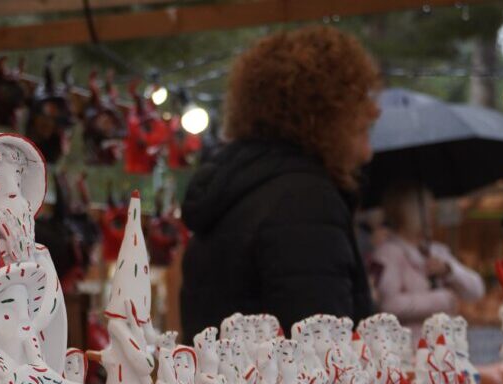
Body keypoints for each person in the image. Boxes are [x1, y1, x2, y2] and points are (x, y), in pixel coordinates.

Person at [180, 26, 380, 339]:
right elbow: (324, 352)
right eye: (361, 129)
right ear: (326, 118)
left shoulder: (236, 189)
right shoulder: (304, 203)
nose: (368, 153)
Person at [371, 182, 484, 324]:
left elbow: (476, 290)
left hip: (446, 340)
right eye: (424, 209)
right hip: (411, 342)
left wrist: (449, 270)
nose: (431, 215)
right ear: (404, 212)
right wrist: (440, 299)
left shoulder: (436, 250)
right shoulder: (388, 253)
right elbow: (388, 304)